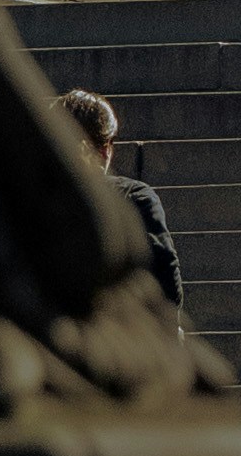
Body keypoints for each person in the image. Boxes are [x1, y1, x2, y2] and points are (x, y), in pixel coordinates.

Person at [57, 85, 185, 315]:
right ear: (106, 149)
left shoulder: (34, 201)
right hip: (120, 333)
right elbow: (165, 273)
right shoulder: (136, 197)